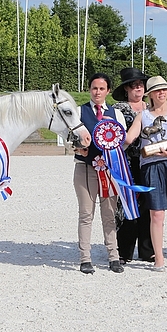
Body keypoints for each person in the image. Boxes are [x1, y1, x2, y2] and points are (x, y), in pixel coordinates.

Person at [125, 75, 167, 272]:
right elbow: (130, 138)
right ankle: (159, 258)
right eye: (157, 90)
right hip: (151, 166)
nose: (162, 93)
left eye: (164, 90)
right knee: (156, 214)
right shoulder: (143, 116)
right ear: (151, 95)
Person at [73, 73, 127, 274]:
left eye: (101, 88)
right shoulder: (79, 112)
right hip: (85, 168)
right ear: (89, 89)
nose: (97, 92)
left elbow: (122, 142)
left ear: (108, 91)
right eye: (94, 88)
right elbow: (70, 139)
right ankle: (84, 258)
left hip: (109, 170)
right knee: (86, 214)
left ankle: (113, 256)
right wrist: (79, 149)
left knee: (109, 214)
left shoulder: (116, 114)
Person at [111, 67, 154, 263]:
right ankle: (124, 250)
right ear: (126, 89)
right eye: (134, 85)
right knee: (126, 204)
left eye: (140, 84)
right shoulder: (118, 109)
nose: (138, 88)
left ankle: (147, 249)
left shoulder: (152, 107)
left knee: (149, 204)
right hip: (126, 161)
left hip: (149, 161)